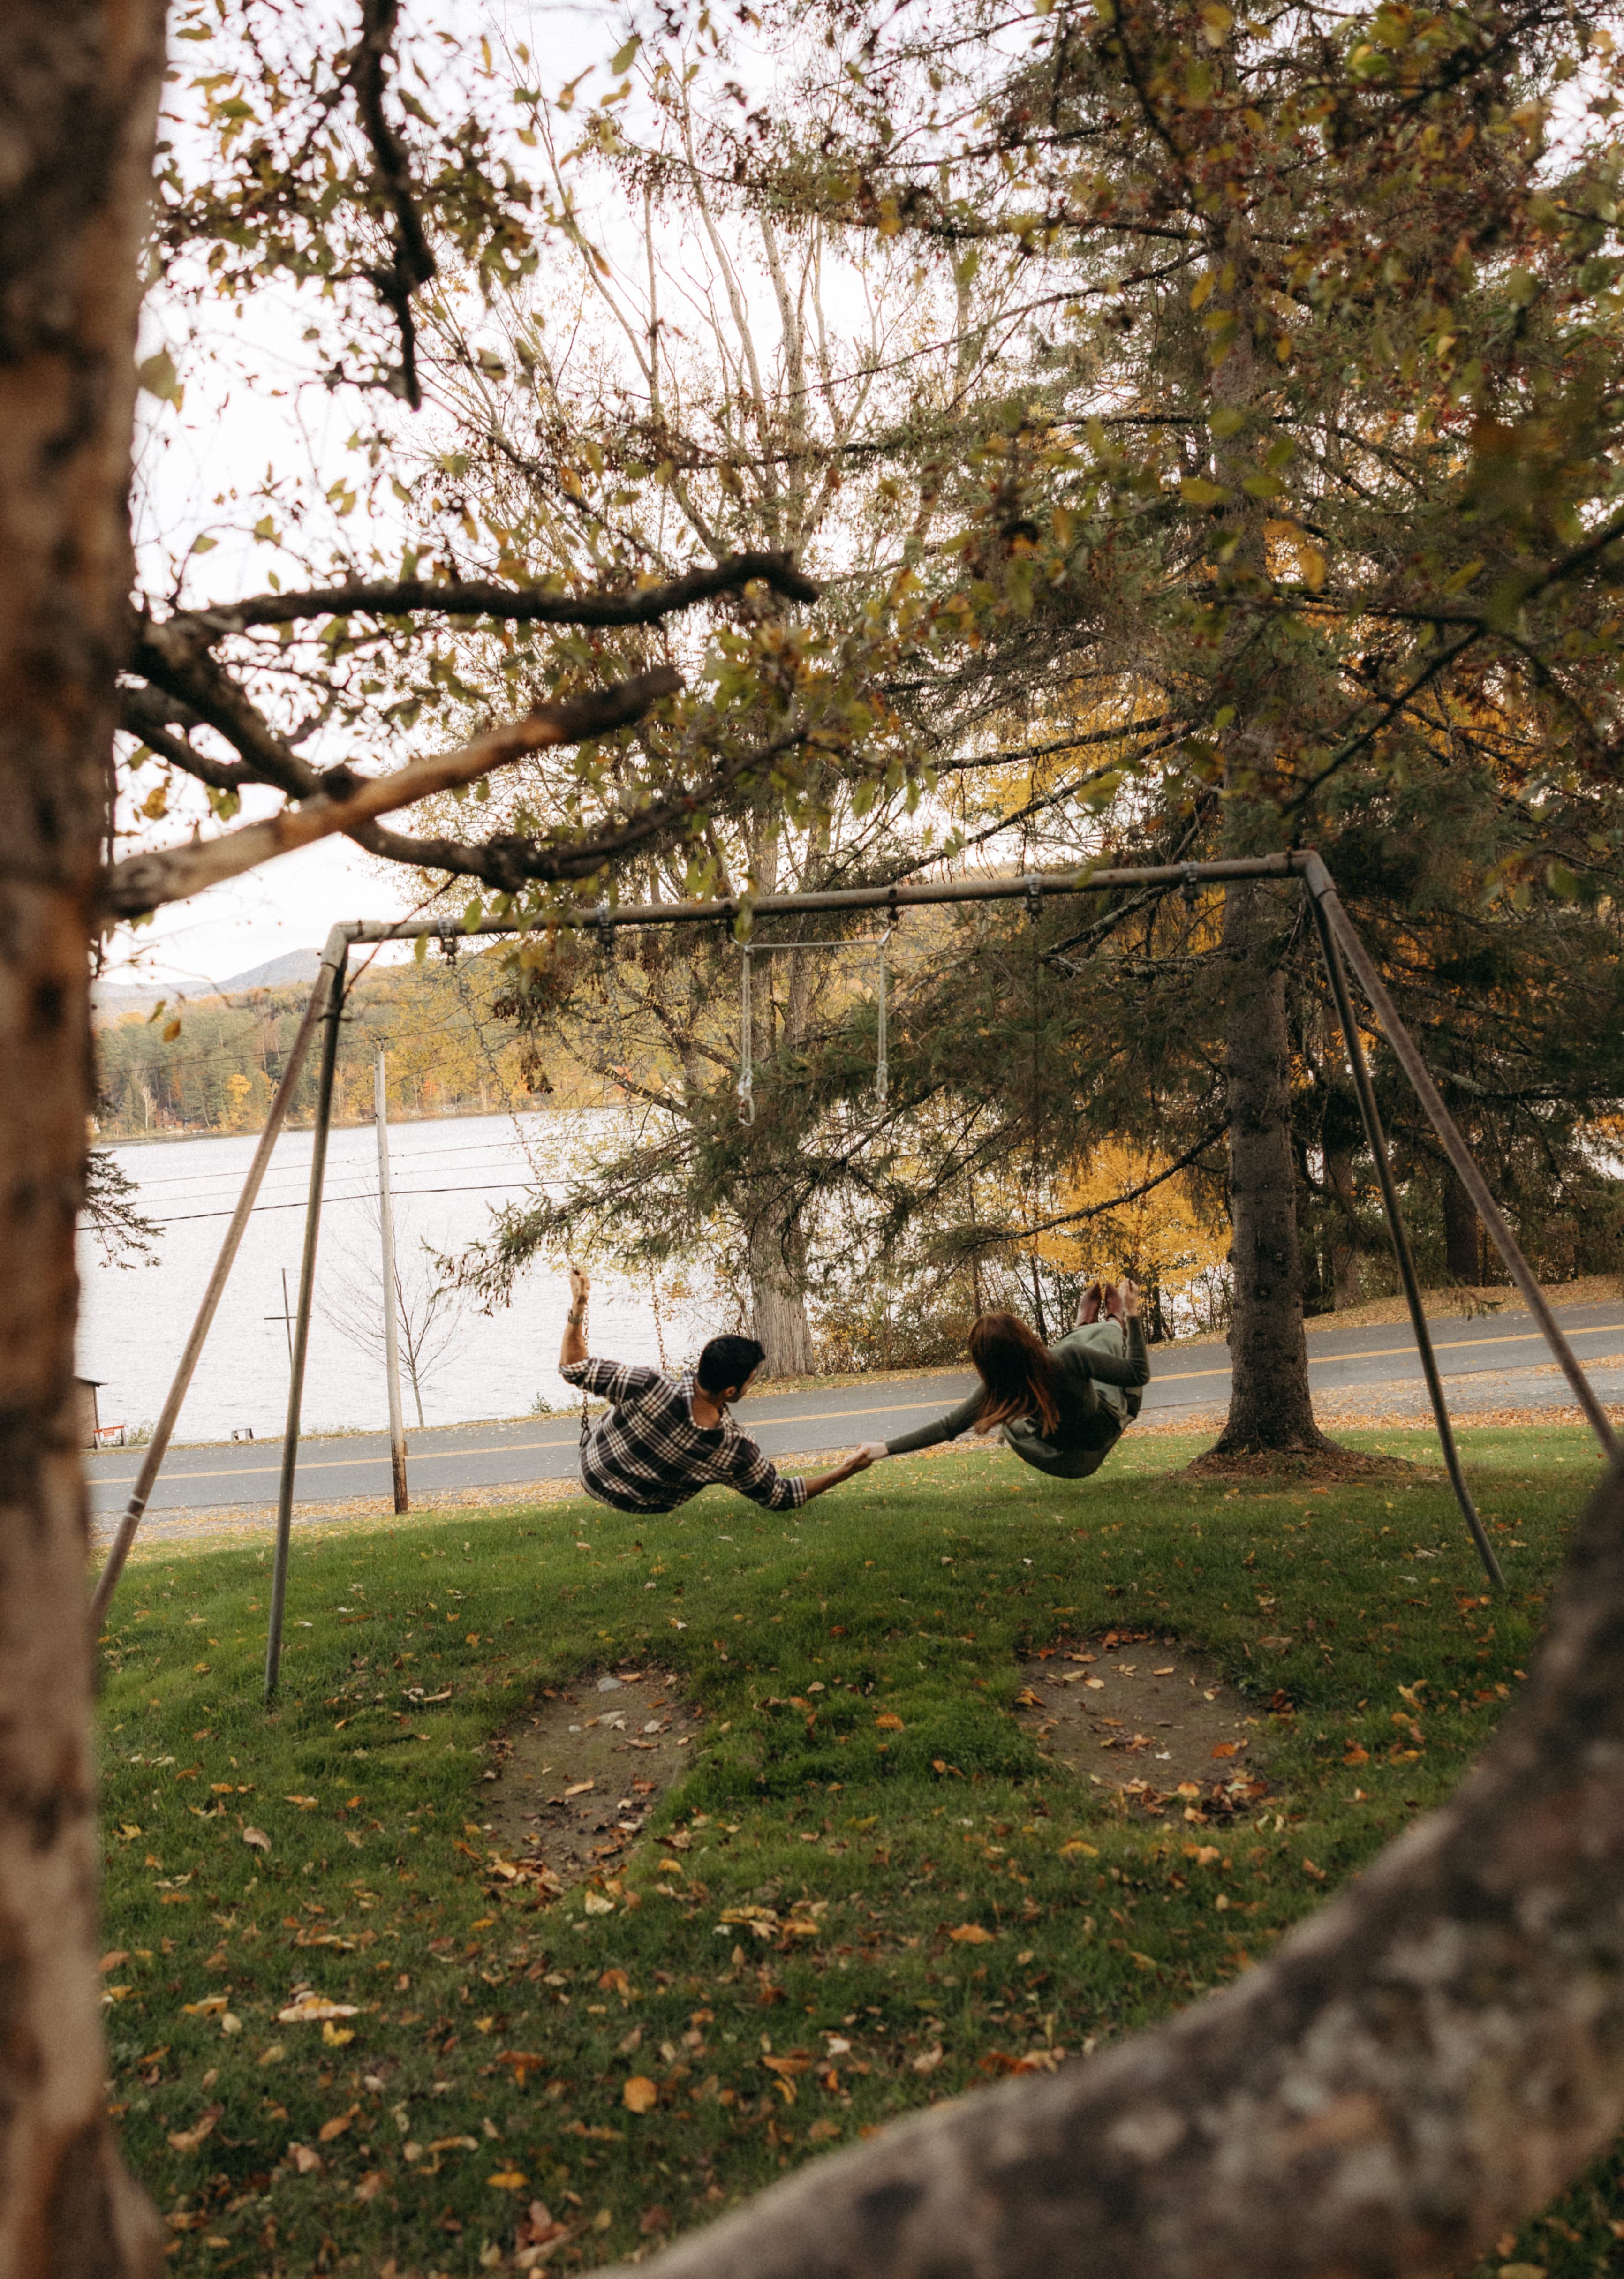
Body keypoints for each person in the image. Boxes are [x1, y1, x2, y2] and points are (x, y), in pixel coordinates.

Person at [559, 1266, 874, 1515]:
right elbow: (781, 1497)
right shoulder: (733, 1448)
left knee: (622, 1399)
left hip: (594, 1476)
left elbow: (572, 1368)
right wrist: (847, 1469)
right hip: (647, 1505)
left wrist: (578, 1308)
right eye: (751, 1381)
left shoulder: (650, 1386)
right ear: (732, 1391)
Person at [860, 1278, 1150, 1479]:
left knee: (1067, 1357)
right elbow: (1138, 1374)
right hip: (1092, 1444)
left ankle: (1084, 1323)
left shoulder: (997, 1388)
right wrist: (1132, 1312)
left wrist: (884, 1448)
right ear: (1026, 1338)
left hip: (1057, 1457)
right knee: (1106, 1341)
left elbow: (947, 1427)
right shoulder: (1069, 1360)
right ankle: (1114, 1319)